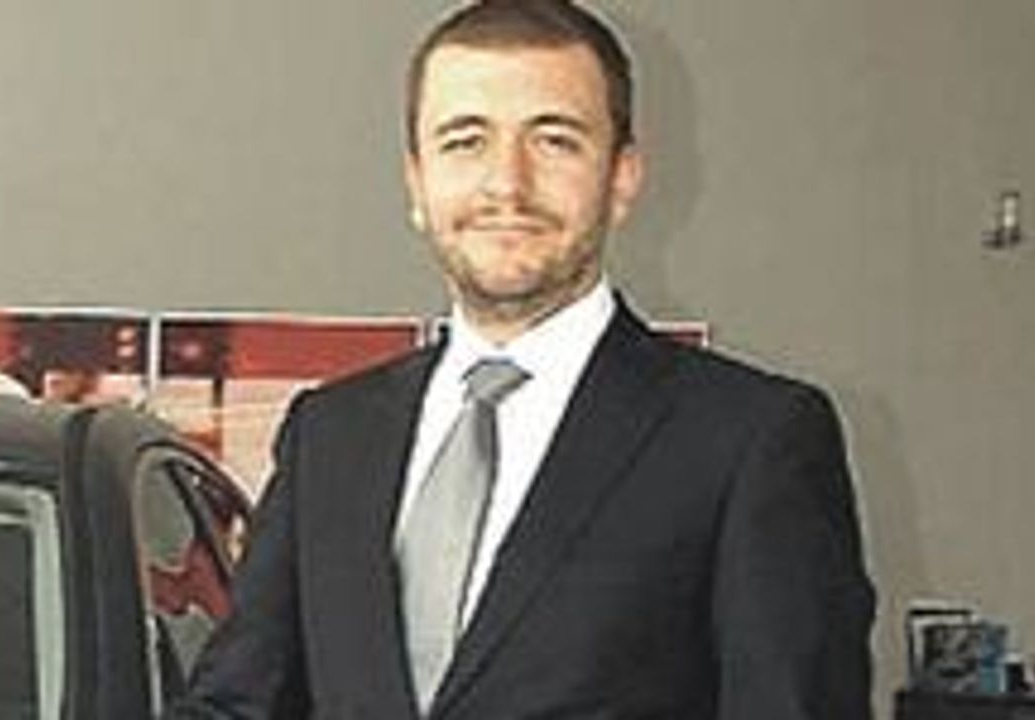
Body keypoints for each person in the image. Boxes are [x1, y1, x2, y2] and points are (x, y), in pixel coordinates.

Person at [179, 1, 875, 718]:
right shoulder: (331, 436)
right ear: (416, 183)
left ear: (623, 178)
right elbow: (238, 704)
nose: (506, 184)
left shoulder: (751, 440)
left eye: (554, 141)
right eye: (465, 141)